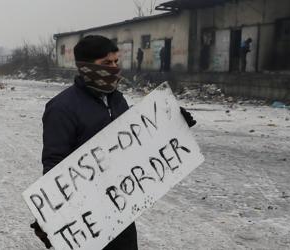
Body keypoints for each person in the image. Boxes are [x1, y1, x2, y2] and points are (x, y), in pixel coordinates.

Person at [31, 35, 196, 249]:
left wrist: (172, 125)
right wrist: (53, 215)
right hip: (87, 217)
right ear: (85, 67)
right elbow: (54, 164)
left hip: (121, 207)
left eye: (116, 62)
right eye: (106, 63)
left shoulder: (118, 100)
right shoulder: (61, 108)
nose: (114, 68)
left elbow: (136, 144)